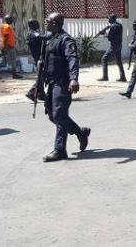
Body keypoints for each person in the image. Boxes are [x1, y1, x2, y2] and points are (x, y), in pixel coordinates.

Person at [41, 12, 91, 162]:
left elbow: (72, 59)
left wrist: (74, 79)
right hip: (51, 82)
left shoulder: (66, 40)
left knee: (59, 115)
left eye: (47, 21)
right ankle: (80, 133)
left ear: (55, 23)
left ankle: (60, 150)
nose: (45, 22)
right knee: (53, 115)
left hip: (63, 83)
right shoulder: (51, 38)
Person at [95, 14, 126, 82]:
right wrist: (107, 28)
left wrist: (104, 33)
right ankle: (123, 77)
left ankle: (105, 76)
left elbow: (109, 37)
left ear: (112, 19)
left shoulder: (113, 26)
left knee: (104, 58)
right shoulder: (120, 25)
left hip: (113, 46)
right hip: (119, 45)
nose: (108, 20)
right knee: (119, 61)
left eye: (109, 19)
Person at [0, 14, 22, 79]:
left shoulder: (2, 26)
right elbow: (5, 37)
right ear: (7, 20)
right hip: (9, 47)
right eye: (10, 19)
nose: (12, 21)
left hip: (5, 46)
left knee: (3, 62)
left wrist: (3, 47)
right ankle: (14, 75)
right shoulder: (7, 27)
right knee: (13, 60)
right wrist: (6, 47)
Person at [25, 19, 46, 102]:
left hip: (37, 57)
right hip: (39, 58)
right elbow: (42, 37)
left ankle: (41, 94)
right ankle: (32, 92)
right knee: (42, 76)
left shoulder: (31, 33)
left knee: (42, 75)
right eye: (35, 23)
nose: (38, 24)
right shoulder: (33, 33)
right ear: (31, 25)